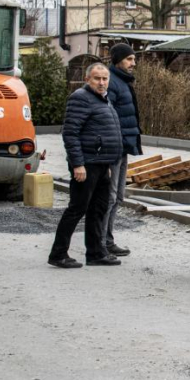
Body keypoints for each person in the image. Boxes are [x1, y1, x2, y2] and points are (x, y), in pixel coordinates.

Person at [48, 63, 123, 268]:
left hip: (101, 164)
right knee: (77, 208)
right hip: (87, 164)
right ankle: (58, 254)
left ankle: (96, 253)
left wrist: (108, 163)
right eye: (97, 78)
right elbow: (70, 133)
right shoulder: (80, 98)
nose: (101, 82)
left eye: (105, 79)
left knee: (98, 209)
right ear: (87, 79)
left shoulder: (104, 99)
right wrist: (78, 164)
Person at [103, 43, 142, 257]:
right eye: (129, 59)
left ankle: (108, 241)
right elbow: (107, 116)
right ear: (118, 60)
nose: (133, 63)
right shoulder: (111, 82)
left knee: (118, 196)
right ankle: (101, 243)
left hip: (123, 146)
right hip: (114, 148)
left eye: (134, 59)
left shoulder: (123, 81)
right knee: (109, 197)